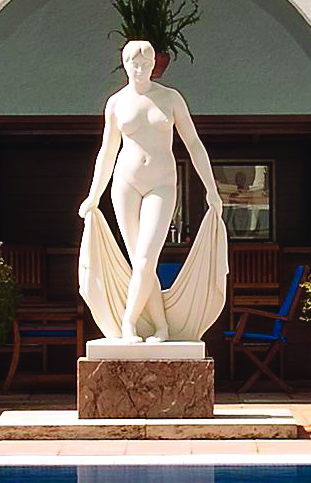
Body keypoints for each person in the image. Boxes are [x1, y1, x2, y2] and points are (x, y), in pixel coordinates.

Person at [81, 38, 226, 343]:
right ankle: (161, 327)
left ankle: (129, 324)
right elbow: (107, 152)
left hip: (162, 183)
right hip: (125, 184)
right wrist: (94, 195)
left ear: (155, 66)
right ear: (124, 64)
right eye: (134, 63)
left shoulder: (171, 99)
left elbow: (194, 145)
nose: (140, 68)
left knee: (146, 258)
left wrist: (211, 188)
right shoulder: (116, 102)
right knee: (140, 262)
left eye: (146, 63)